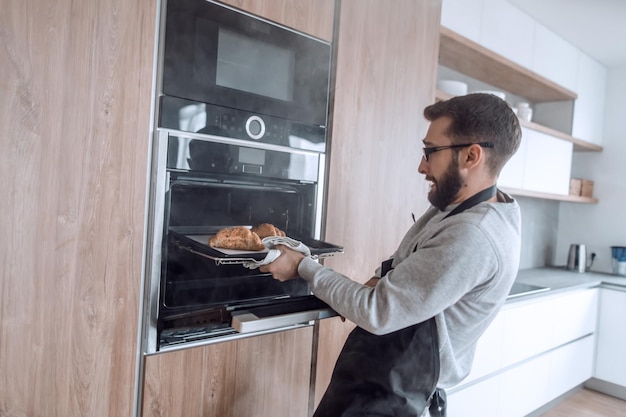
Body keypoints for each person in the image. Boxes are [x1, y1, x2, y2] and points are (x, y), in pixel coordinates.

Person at [260, 93, 522, 417]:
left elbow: (378, 313)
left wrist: (303, 267)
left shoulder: (473, 236)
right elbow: (408, 263)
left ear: (471, 156)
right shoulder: (460, 206)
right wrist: (369, 283)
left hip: (393, 395)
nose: (421, 165)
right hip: (378, 375)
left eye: (431, 152)